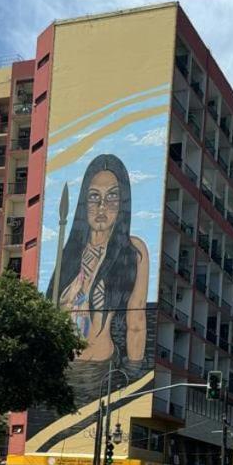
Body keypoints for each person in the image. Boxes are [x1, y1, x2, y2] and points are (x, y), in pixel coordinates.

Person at [48, 154, 149, 407]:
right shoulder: (68, 254)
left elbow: (136, 321)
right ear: (83, 202)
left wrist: (133, 372)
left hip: (101, 371)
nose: (102, 207)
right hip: (59, 372)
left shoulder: (133, 251)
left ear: (123, 202)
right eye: (94, 197)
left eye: (112, 197)